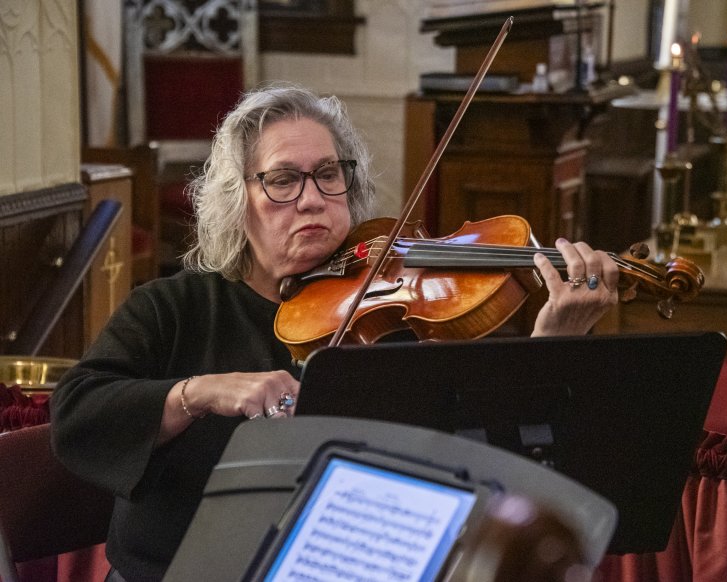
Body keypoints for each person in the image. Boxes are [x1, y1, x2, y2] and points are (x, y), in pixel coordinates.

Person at [50, 82, 619, 582]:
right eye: (282, 181)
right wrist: (199, 392)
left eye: (328, 175)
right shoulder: (172, 309)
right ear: (235, 202)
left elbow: (490, 462)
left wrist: (555, 345)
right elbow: (77, 413)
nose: (312, 199)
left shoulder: (394, 321)